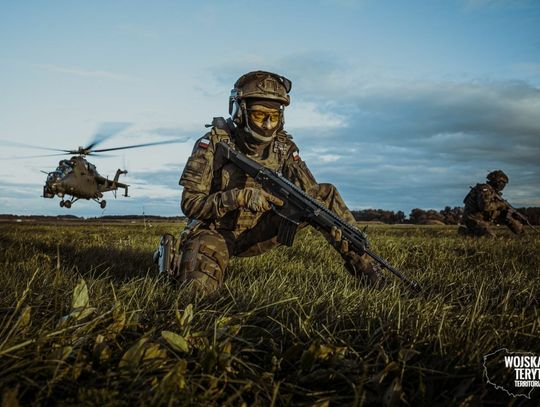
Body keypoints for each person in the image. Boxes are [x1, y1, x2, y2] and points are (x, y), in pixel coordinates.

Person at [171, 70, 385, 292]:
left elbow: (309, 194)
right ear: (240, 112)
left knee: (325, 195)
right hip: (216, 231)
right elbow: (190, 205)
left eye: (273, 117)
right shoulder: (212, 144)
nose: (266, 125)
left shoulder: (284, 147)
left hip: (259, 230)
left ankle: (371, 275)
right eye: (258, 115)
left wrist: (333, 225)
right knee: (196, 291)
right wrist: (239, 197)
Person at [458, 170, 525, 237]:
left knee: (506, 214)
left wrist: (506, 210)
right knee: (489, 237)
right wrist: (501, 204)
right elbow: (485, 207)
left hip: (480, 218)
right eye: (503, 183)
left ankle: (521, 232)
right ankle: (465, 232)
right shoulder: (485, 189)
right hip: (473, 219)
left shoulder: (492, 191)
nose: (504, 186)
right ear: (498, 182)